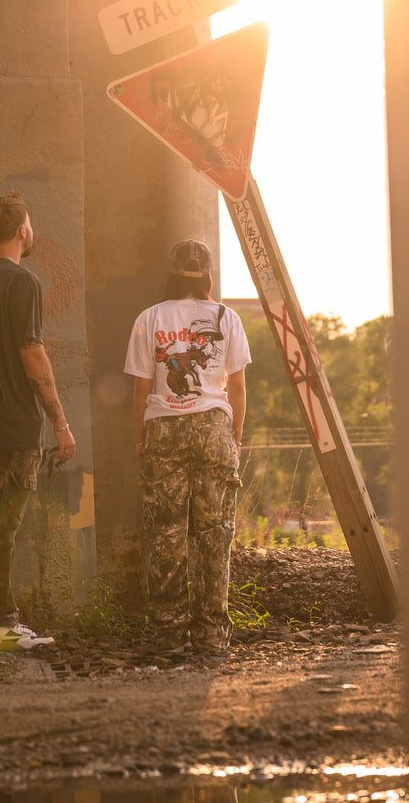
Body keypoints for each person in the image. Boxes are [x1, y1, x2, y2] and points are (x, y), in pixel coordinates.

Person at [0, 192, 76, 651]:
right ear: (22, 228)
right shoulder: (23, 283)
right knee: (2, 525)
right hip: (15, 423)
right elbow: (32, 351)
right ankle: (0, 624)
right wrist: (59, 422)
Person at [124, 239, 250, 655]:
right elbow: (238, 387)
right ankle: (213, 636)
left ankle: (169, 637)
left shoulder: (149, 317)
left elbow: (142, 389)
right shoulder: (226, 317)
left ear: (173, 273)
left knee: (166, 534)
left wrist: (141, 441)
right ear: (208, 274)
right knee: (215, 535)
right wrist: (234, 439)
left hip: (164, 426)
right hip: (215, 424)